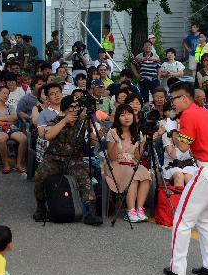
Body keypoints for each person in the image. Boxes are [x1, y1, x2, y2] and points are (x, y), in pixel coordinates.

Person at [163, 81, 208, 275]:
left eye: (173, 98)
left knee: (182, 220)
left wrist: (172, 132)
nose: (172, 103)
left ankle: (177, 268)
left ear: (184, 98)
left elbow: (183, 148)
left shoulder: (188, 115)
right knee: (205, 219)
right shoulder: (207, 113)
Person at [33, 94, 102, 225]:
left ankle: (91, 213)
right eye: (71, 107)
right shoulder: (55, 120)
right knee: (41, 174)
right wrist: (64, 121)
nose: (75, 110)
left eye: (77, 107)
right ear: (64, 110)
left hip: (74, 159)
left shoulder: (82, 123)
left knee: (84, 178)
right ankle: (41, 207)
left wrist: (94, 133)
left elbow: (92, 144)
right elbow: (48, 136)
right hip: (54, 158)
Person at [104, 105, 151, 223]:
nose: (126, 117)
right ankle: (130, 210)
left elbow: (137, 156)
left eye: (129, 114)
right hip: (116, 164)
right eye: (122, 115)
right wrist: (116, 142)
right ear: (118, 118)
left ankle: (139, 209)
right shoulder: (113, 132)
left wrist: (143, 143)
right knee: (133, 174)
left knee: (146, 174)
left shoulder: (137, 132)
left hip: (131, 163)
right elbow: (112, 157)